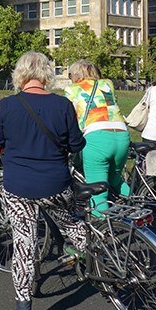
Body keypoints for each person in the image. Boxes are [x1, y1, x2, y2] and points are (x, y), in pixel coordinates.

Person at [0, 51, 87, 310]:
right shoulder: (62, 105)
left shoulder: (8, 107)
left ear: (20, 74)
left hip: (19, 186)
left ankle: (24, 308)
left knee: (24, 244)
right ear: (46, 75)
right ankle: (96, 258)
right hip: (55, 183)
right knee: (72, 225)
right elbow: (77, 145)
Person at [63, 60, 130, 215]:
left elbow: (70, 117)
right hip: (121, 134)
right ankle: (139, 205)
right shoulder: (107, 84)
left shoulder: (72, 89)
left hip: (96, 137)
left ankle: (103, 230)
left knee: (97, 189)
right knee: (115, 178)